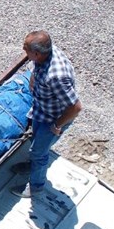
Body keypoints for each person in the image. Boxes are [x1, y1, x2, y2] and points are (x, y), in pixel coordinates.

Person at [16, 30, 82, 199]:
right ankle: (32, 166)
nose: (24, 51)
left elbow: (76, 107)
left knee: (39, 152)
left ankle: (36, 186)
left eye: (26, 49)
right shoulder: (46, 53)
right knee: (35, 143)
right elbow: (37, 68)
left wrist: (57, 125)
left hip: (52, 119)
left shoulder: (56, 76)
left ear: (37, 53)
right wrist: (33, 79)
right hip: (42, 110)